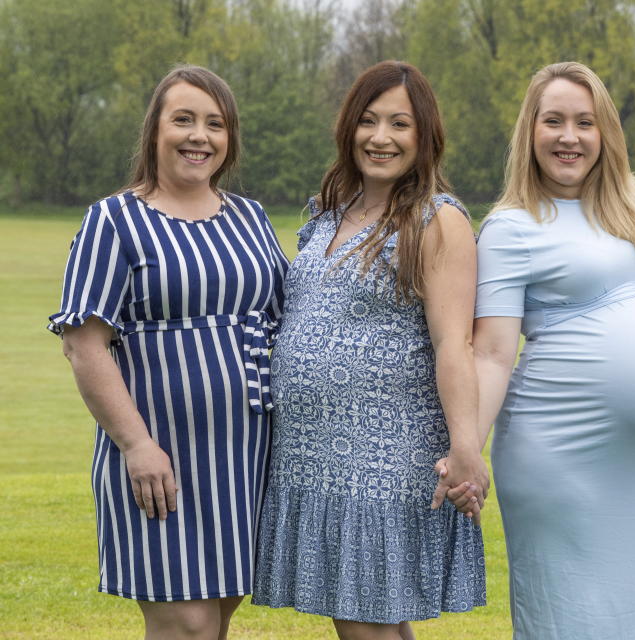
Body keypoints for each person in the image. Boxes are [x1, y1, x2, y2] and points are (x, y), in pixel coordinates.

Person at [49, 65, 289, 639]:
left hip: (247, 456)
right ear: (154, 131)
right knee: (186, 625)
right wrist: (136, 445)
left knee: (218, 615)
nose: (198, 136)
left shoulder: (250, 218)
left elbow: (287, 322)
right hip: (160, 458)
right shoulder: (113, 221)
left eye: (215, 124)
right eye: (182, 120)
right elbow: (85, 346)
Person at [252, 61, 486, 640]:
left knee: (365, 620)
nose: (380, 137)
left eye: (399, 124)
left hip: (382, 453)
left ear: (424, 135)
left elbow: (453, 343)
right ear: (348, 129)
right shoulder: (325, 216)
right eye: (368, 120)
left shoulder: (437, 218)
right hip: (313, 452)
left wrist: (466, 448)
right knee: (364, 618)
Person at [465, 61, 635, 639]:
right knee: (572, 622)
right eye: (554, 121)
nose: (569, 137)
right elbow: (492, 353)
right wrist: (467, 445)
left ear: (605, 134)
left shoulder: (628, 213)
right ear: (531, 132)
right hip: (562, 454)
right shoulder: (509, 228)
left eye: (584, 123)